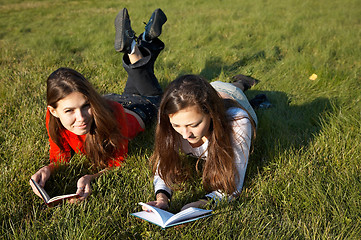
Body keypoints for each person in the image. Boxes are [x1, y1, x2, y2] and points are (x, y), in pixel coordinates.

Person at [30, 8, 168, 203]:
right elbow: (60, 155)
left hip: (141, 107)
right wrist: (48, 168)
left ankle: (134, 47)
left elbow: (118, 162)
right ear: (53, 111)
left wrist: (90, 178)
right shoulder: (53, 117)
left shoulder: (112, 113)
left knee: (155, 95)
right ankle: (143, 41)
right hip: (114, 100)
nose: (81, 117)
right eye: (69, 110)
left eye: (86, 105)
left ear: (92, 98)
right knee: (141, 74)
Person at [144, 74, 258, 211]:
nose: (186, 134)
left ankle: (242, 82)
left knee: (234, 89)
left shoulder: (238, 122)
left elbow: (234, 186)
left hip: (231, 97)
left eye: (194, 125)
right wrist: (162, 197)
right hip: (210, 90)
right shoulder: (171, 119)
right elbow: (164, 166)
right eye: (177, 126)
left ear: (211, 113)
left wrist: (202, 203)